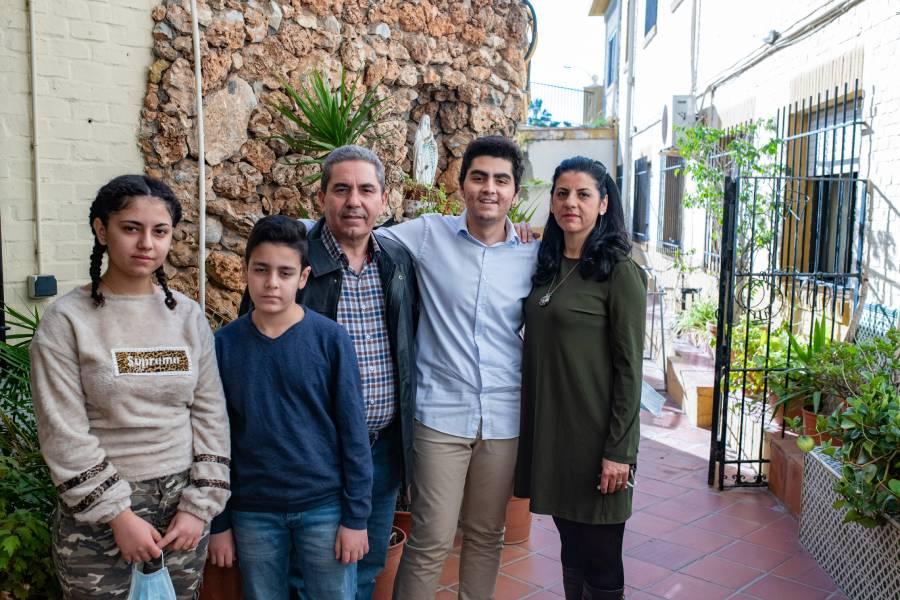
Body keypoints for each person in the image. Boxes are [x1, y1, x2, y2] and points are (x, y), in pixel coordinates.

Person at [29, 175, 231, 599]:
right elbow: (62, 430)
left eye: (159, 232)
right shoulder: (67, 321)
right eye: (130, 228)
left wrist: (199, 507)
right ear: (101, 231)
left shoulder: (188, 317)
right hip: (99, 515)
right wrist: (118, 514)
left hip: (183, 509)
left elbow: (211, 414)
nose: (146, 244)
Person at [231, 145, 419, 600]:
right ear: (321, 198)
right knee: (304, 575)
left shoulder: (397, 263)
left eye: (366, 190)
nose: (354, 200)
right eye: (341, 189)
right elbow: (255, 346)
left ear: (383, 199)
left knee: (367, 561)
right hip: (312, 454)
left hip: (380, 449)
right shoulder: (294, 261)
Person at [381, 136, 540, 599]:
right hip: (440, 415)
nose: (489, 188)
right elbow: (359, 232)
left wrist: (544, 233)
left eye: (501, 180)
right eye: (480, 177)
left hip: (504, 418)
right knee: (431, 538)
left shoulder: (533, 255)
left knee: (487, 534)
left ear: (514, 191)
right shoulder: (429, 234)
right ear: (462, 183)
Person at [209, 216, 372, 599]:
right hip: (253, 511)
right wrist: (219, 523)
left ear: (303, 277)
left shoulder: (331, 340)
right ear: (245, 271)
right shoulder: (223, 345)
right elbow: (214, 437)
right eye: (261, 270)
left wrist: (355, 517)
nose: (271, 283)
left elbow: (354, 434)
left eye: (285, 272)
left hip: (324, 508)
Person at [515, 157, 647, 600]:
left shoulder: (620, 271)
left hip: (599, 442)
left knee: (602, 559)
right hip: (553, 436)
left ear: (604, 203)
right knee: (570, 547)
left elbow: (631, 369)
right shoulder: (545, 263)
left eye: (583, 194)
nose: (571, 202)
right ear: (551, 202)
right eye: (562, 193)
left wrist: (619, 452)